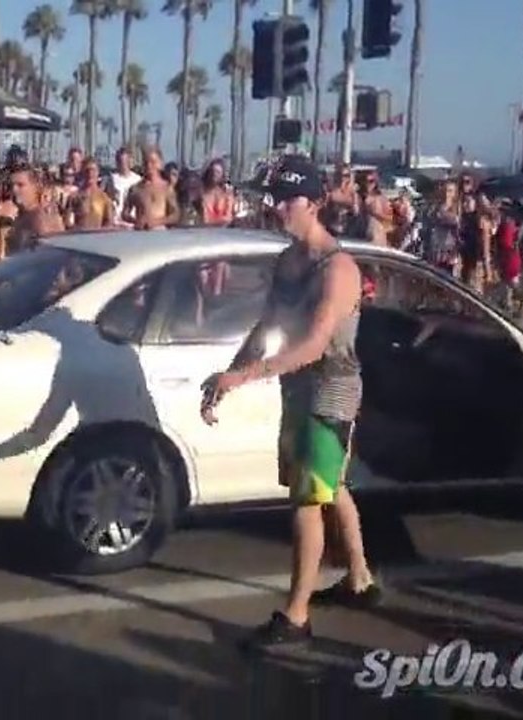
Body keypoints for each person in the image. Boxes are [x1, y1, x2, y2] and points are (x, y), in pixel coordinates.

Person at [202, 155, 379, 647]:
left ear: (316, 202)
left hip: (331, 390)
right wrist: (233, 370)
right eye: (273, 197)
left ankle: (296, 616)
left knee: (307, 499)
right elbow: (268, 326)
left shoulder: (337, 268)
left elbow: (314, 345)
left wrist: (246, 378)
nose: (278, 207)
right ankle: (360, 578)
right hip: (297, 388)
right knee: (328, 484)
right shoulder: (289, 260)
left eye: (287, 198)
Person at [3, 166, 64, 256]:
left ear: (35, 187)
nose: (14, 190)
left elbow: (53, 255)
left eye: (20, 185)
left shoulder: (40, 219)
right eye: (11, 185)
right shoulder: (23, 215)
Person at [123, 149, 180, 230]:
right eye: (146, 162)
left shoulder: (167, 188)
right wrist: (136, 221)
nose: (149, 166)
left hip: (160, 234)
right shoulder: (135, 188)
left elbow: (175, 215)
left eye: (153, 162)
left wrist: (157, 222)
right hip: (140, 233)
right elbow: (125, 213)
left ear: (160, 164)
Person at [66, 158, 115, 230]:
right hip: (79, 237)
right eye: (87, 170)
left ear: (98, 172)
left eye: (93, 170)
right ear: (82, 172)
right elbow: (67, 222)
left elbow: (109, 223)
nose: (90, 173)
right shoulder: (74, 197)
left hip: (98, 238)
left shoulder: (104, 199)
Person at [107, 147, 141, 227]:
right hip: (117, 221)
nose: (123, 164)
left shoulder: (137, 179)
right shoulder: (112, 179)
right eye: (121, 161)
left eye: (125, 161)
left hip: (132, 221)